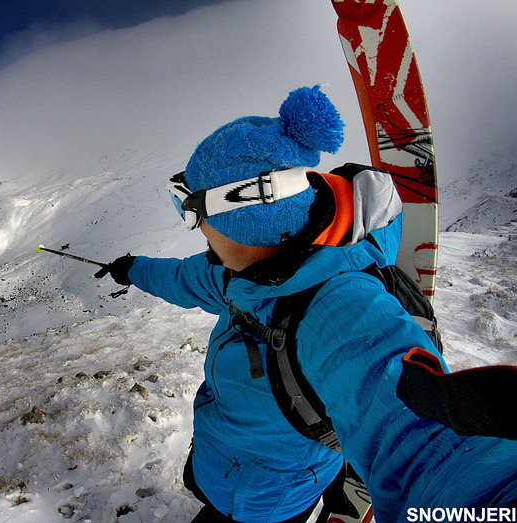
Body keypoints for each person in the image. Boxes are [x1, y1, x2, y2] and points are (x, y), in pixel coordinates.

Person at [95, 86, 517, 522]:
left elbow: (426, 449)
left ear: (239, 214)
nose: (195, 226)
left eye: (190, 209)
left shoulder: (338, 310)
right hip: (230, 469)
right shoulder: (242, 270)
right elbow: (182, 278)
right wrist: (131, 269)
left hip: (271, 501)